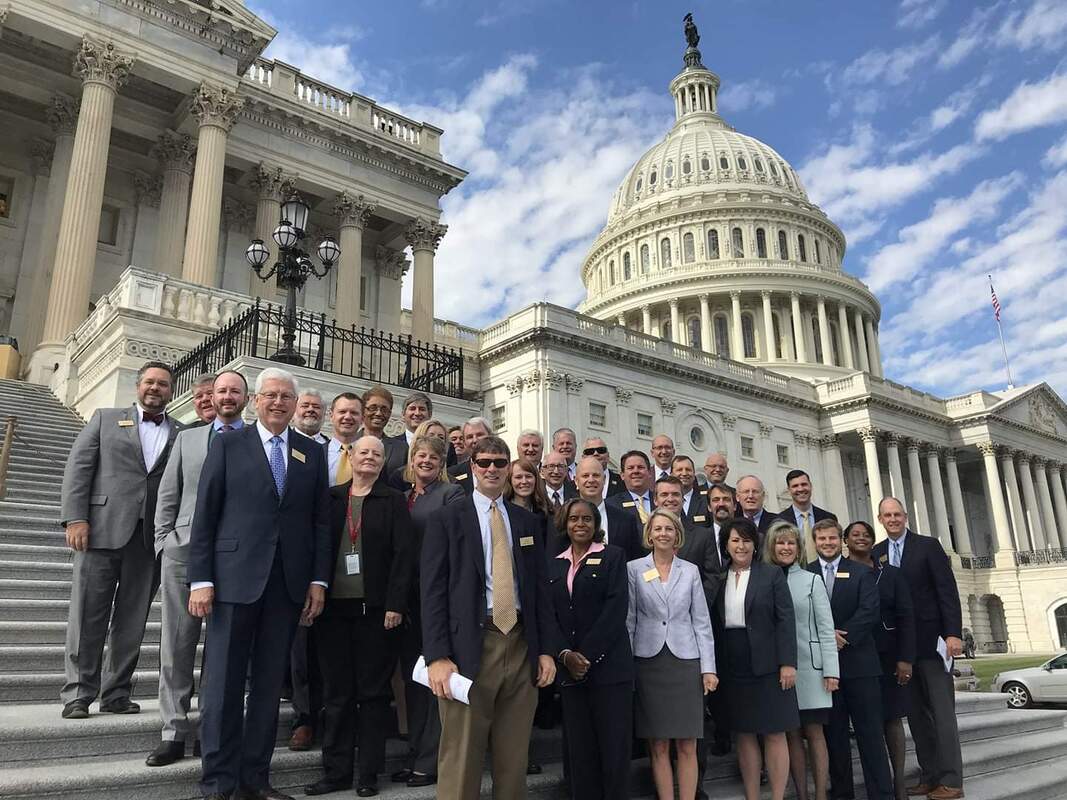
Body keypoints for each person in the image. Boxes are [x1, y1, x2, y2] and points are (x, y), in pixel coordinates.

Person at [187, 367, 331, 800]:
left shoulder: (311, 451)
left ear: (294, 403)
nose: (279, 403)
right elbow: (206, 516)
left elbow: (321, 521)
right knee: (224, 687)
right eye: (271, 395)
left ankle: (254, 778)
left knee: (268, 687)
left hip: (286, 586)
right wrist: (201, 579)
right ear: (256, 401)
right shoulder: (229, 444)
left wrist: (318, 581)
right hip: (232, 582)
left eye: (287, 397)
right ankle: (218, 780)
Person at [421, 435, 557, 799]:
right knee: (461, 757)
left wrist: (545, 650)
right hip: (469, 646)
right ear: (472, 467)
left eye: (500, 462)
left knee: (513, 760)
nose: (492, 469)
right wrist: (436, 656)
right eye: (484, 462)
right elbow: (432, 592)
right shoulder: (446, 519)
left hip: (521, 643)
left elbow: (540, 591)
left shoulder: (527, 522)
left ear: (509, 467)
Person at [59, 360, 178, 720]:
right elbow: (79, 467)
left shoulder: (180, 432)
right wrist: (75, 517)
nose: (155, 388)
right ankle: (79, 692)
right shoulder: (105, 419)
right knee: (87, 613)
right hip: (100, 530)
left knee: (132, 619)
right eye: (150, 382)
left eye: (162, 384)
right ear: (138, 386)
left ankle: (116, 692)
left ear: (171, 391)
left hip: (148, 540)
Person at [304, 436, 413, 798]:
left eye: (377, 453)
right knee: (336, 694)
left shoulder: (394, 501)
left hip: (377, 613)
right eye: (363, 451)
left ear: (384, 462)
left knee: (373, 694)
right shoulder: (332, 498)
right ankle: (335, 772)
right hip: (332, 611)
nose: (369, 458)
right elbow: (316, 545)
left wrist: (396, 604)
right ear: (351, 456)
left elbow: (403, 556)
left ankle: (367, 772)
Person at [148, 370, 247, 766]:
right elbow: (168, 496)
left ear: (245, 397)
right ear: (212, 397)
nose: (225, 397)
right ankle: (172, 729)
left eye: (233, 391)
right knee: (177, 644)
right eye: (220, 391)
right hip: (182, 553)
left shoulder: (254, 440)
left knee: (221, 651)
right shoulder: (187, 439)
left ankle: (211, 730)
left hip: (234, 557)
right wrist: (163, 544)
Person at [871, 498, 963, 800]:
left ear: (906, 516)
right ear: (880, 519)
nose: (893, 519)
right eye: (888, 515)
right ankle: (930, 775)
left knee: (942, 714)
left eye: (897, 514)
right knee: (916, 716)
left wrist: (952, 633)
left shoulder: (928, 546)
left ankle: (951, 780)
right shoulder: (877, 553)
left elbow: (946, 590)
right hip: (900, 650)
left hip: (931, 642)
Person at [627, 509, 717, 800]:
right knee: (659, 745)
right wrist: (627, 668)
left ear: (677, 534)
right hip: (648, 661)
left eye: (669, 528)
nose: (663, 533)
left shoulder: (689, 570)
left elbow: (701, 622)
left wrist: (709, 669)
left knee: (687, 744)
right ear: (649, 534)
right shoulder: (634, 569)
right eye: (658, 528)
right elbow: (629, 621)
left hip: (685, 662)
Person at [393, 434, 464, 789]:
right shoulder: (404, 497)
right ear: (411, 459)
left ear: (442, 464)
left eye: (433, 458)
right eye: (420, 455)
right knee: (414, 682)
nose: (426, 461)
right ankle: (415, 753)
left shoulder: (450, 495)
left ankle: (430, 760)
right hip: (406, 602)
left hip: (437, 599)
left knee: (436, 682)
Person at [551, 498, 634, 800]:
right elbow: (550, 615)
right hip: (570, 672)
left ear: (596, 525)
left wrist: (584, 656)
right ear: (566, 523)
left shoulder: (613, 556)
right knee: (580, 753)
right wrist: (565, 655)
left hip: (609, 670)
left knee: (613, 751)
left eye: (587, 519)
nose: (580, 524)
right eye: (574, 519)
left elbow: (615, 610)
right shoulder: (555, 561)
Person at [713, 518, 798, 800]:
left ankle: (776, 796)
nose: (741, 545)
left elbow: (786, 620)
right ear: (726, 545)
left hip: (769, 664)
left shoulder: (771, 574)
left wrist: (787, 662)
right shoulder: (718, 577)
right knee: (745, 733)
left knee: (774, 732)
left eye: (746, 540)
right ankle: (751, 795)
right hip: (733, 664)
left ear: (755, 544)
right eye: (735, 540)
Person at [809, 518, 893, 800]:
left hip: (860, 665)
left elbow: (870, 610)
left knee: (871, 735)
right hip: (825, 670)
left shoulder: (860, 572)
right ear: (815, 542)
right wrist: (825, 637)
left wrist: (842, 637)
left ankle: (881, 794)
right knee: (835, 738)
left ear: (841, 540)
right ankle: (842, 793)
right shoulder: (806, 574)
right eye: (822, 539)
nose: (827, 543)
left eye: (832, 538)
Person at [764, 520, 839, 800]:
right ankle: (801, 794)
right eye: (780, 542)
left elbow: (825, 627)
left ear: (798, 548)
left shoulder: (811, 579)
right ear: (771, 546)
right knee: (791, 735)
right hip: (777, 670)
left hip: (811, 669)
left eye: (791, 542)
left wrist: (832, 670)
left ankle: (820, 794)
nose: (785, 547)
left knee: (814, 732)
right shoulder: (764, 578)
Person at [845, 520, 915, 800]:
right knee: (866, 723)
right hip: (854, 653)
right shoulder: (838, 570)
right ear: (846, 540)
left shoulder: (891, 574)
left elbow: (906, 616)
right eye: (855, 535)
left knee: (892, 718)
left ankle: (898, 781)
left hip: (887, 654)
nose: (860, 539)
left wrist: (905, 658)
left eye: (866, 535)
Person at [572, 455, 643, 560]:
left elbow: (634, 559)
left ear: (604, 480)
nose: (591, 480)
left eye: (596, 475)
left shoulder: (626, 520)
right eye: (585, 476)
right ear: (576, 481)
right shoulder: (564, 518)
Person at [779, 470, 837, 566]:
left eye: (804, 484)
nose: (800, 489)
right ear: (789, 490)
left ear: (810, 486)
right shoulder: (780, 520)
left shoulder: (828, 518)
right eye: (795, 486)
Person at [383, 391, 432, 475]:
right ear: (403, 414)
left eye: (422, 409)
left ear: (430, 414)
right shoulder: (388, 446)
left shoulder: (444, 446)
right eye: (412, 408)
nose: (417, 413)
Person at [324, 392, 364, 485]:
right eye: (342, 412)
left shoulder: (370, 456)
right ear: (331, 416)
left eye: (354, 413)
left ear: (362, 419)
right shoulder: (316, 453)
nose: (348, 417)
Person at [446, 416, 493, 490]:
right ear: (464, 443)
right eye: (470, 437)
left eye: (480, 435)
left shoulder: (505, 468)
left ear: (491, 437)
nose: (475, 440)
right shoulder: (451, 474)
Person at [607, 450, 653, 524]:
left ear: (649, 472)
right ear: (622, 475)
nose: (636, 471)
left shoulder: (661, 501)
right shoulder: (611, 504)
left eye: (640, 467)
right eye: (630, 468)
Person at [736, 475, 780, 544]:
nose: (750, 496)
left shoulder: (778, 523)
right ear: (737, 497)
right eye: (746, 491)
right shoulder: (732, 524)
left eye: (755, 491)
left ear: (763, 496)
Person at [672, 455, 709, 525]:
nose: (684, 473)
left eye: (688, 470)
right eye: (679, 470)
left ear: (694, 474)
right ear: (671, 475)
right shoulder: (666, 501)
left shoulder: (706, 501)